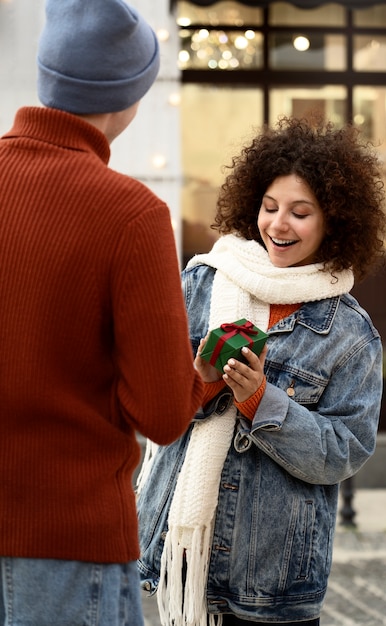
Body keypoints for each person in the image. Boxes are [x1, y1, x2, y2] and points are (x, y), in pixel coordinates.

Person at [136, 116, 386, 626]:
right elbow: (150, 405)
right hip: (175, 565)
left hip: (272, 579)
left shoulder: (351, 334)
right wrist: (201, 384)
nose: (278, 224)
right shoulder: (203, 284)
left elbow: (345, 451)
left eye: (300, 212)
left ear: (334, 220)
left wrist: (262, 403)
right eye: (270, 207)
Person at [0, 1, 203, 625]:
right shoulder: (130, 214)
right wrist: (212, 373)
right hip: (69, 537)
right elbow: (164, 413)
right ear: (128, 95)